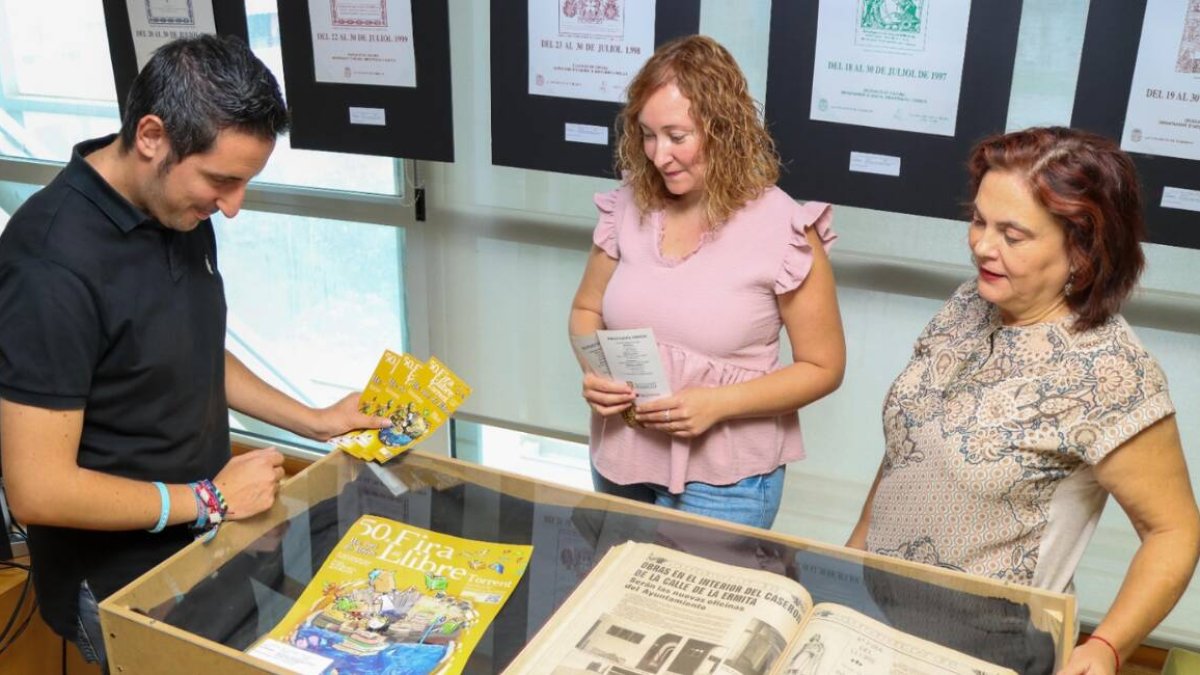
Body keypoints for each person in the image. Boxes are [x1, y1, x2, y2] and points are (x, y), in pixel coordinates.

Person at [0, 35, 387, 668]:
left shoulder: (175, 206)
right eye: (222, 181)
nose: (232, 207)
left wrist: (314, 420)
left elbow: (186, 350)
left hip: (206, 538)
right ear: (152, 136)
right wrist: (212, 498)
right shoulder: (51, 263)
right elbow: (37, 489)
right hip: (124, 581)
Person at [846, 127, 1200, 674]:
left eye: (1013, 234)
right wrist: (850, 556)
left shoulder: (1111, 373)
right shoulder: (970, 300)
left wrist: (1107, 647)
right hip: (881, 608)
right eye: (979, 221)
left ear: (1082, 250)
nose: (983, 246)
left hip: (990, 645)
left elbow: (1174, 532)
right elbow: (909, 445)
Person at [568, 35, 845, 529]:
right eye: (647, 135)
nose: (658, 155)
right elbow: (586, 311)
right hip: (622, 455)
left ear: (724, 130)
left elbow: (824, 366)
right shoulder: (627, 205)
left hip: (727, 481)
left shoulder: (785, 228)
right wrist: (597, 374)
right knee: (614, 599)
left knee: (696, 609)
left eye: (677, 136)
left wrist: (718, 405)